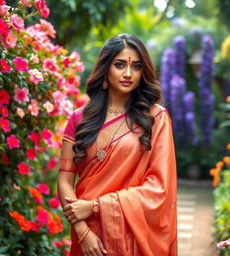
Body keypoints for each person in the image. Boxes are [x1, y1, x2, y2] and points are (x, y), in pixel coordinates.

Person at [57, 33, 177, 256]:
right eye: (119, 65)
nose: (128, 74)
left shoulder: (155, 118)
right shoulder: (79, 119)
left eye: (137, 66)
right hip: (87, 233)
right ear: (106, 68)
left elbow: (159, 188)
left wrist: (96, 206)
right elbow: (64, 180)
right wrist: (82, 232)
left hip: (134, 233)